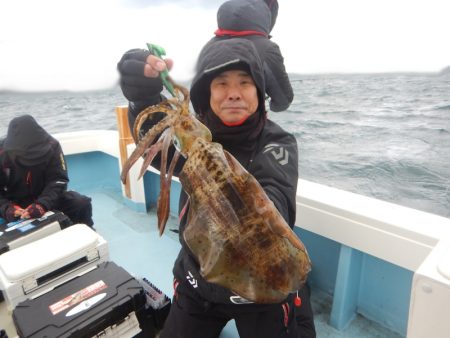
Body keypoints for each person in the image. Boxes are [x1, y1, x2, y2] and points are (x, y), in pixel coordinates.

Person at [117, 38, 314, 337]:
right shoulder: (190, 146)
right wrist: (141, 98)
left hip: (262, 290)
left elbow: (277, 199)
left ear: (259, 92)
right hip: (198, 280)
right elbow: (154, 145)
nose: (233, 93)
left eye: (245, 83)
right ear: (205, 93)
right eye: (221, 83)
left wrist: (220, 177)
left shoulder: (277, 143)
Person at [198, 0, 294, 113]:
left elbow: (198, 98)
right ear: (267, 17)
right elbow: (283, 100)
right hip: (248, 125)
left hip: (204, 125)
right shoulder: (267, 49)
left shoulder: (208, 46)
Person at [0, 115, 93, 227]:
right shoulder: (2, 153)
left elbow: (58, 180)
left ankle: (87, 232)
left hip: (45, 198)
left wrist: (42, 204)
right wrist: (8, 209)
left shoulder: (52, 146)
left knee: (81, 203)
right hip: (12, 203)